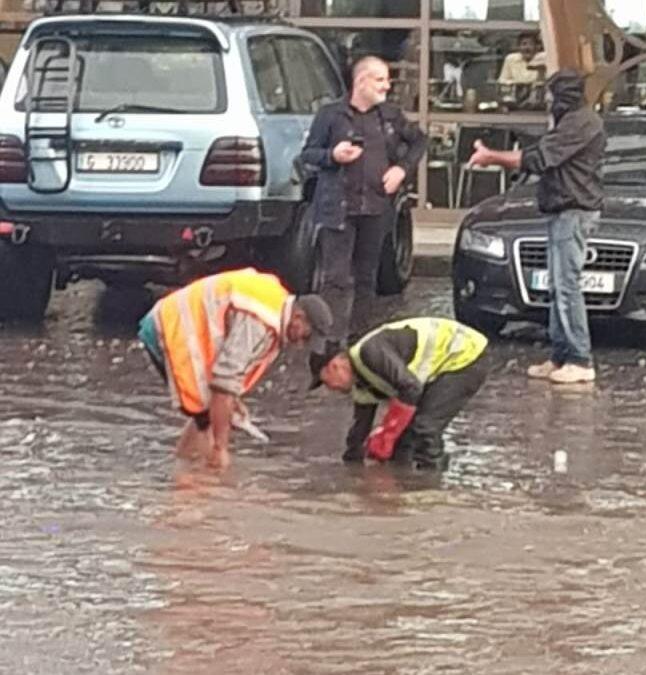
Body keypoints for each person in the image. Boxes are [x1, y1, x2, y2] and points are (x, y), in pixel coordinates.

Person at [469, 69, 606, 384]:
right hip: (563, 209)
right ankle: (561, 355)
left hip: (574, 211)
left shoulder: (581, 122)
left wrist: (492, 156)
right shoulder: (571, 121)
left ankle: (580, 359)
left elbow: (542, 158)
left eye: (552, 94)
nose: (547, 101)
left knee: (567, 285)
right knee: (558, 286)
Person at [138, 268, 333, 470]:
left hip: (171, 319)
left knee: (208, 415)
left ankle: (187, 471)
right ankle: (194, 485)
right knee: (206, 415)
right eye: (305, 336)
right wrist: (221, 447)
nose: (301, 345)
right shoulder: (260, 321)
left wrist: (232, 402)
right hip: (170, 328)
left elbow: (228, 375)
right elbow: (224, 381)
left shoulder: (274, 304)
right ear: (298, 316)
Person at [300, 55, 427, 344]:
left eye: (387, 79)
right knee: (335, 279)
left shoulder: (391, 116)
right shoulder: (331, 115)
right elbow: (307, 154)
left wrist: (401, 170)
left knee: (367, 277)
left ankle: (360, 339)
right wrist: (332, 155)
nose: (387, 86)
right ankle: (329, 340)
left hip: (376, 206)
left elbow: (420, 141)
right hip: (338, 208)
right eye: (380, 79)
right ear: (361, 82)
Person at [309, 317, 490, 470]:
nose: (330, 389)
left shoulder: (369, 353)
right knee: (403, 442)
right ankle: (405, 489)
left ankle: (434, 489)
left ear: (335, 365)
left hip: (466, 354)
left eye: (326, 381)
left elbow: (411, 389)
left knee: (424, 429)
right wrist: (352, 469)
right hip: (440, 366)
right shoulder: (362, 384)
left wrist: (387, 433)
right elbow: (359, 434)